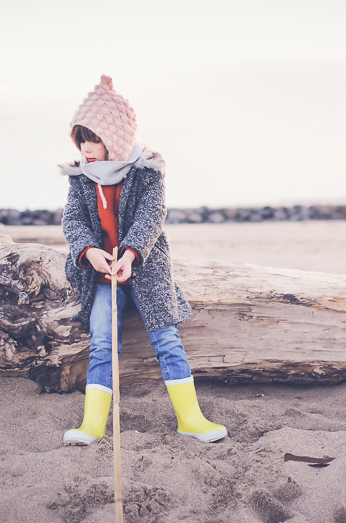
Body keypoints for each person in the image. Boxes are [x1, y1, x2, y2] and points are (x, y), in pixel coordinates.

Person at [60, 75, 227, 446]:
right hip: (102, 273)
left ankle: (191, 418)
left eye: (95, 139)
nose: (87, 148)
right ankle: (93, 425)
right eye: (81, 139)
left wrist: (132, 254)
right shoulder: (80, 178)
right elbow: (71, 220)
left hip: (144, 267)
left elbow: (152, 216)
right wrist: (90, 252)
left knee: (166, 339)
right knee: (103, 342)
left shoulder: (147, 171)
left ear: (115, 139)